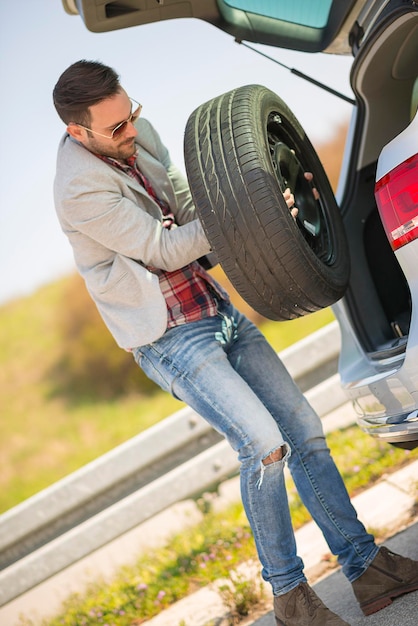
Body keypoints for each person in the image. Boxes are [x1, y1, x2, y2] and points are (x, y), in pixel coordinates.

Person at [53, 60, 418, 626]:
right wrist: (255, 212)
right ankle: (291, 599)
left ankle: (367, 567)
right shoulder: (77, 191)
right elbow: (163, 248)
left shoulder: (137, 132)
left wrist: (263, 222)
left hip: (213, 309)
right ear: (80, 133)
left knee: (305, 431)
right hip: (169, 337)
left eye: (133, 115)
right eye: (116, 128)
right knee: (265, 446)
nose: (132, 131)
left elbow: (187, 208)